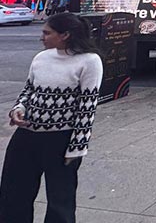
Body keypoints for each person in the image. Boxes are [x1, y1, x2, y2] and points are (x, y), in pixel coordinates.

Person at [0, 13, 103, 222]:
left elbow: (87, 107)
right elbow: (28, 91)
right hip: (26, 136)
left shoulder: (89, 61)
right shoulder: (41, 58)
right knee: (13, 193)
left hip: (61, 139)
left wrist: (77, 148)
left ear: (64, 35)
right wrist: (17, 109)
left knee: (60, 201)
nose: (42, 37)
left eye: (47, 33)